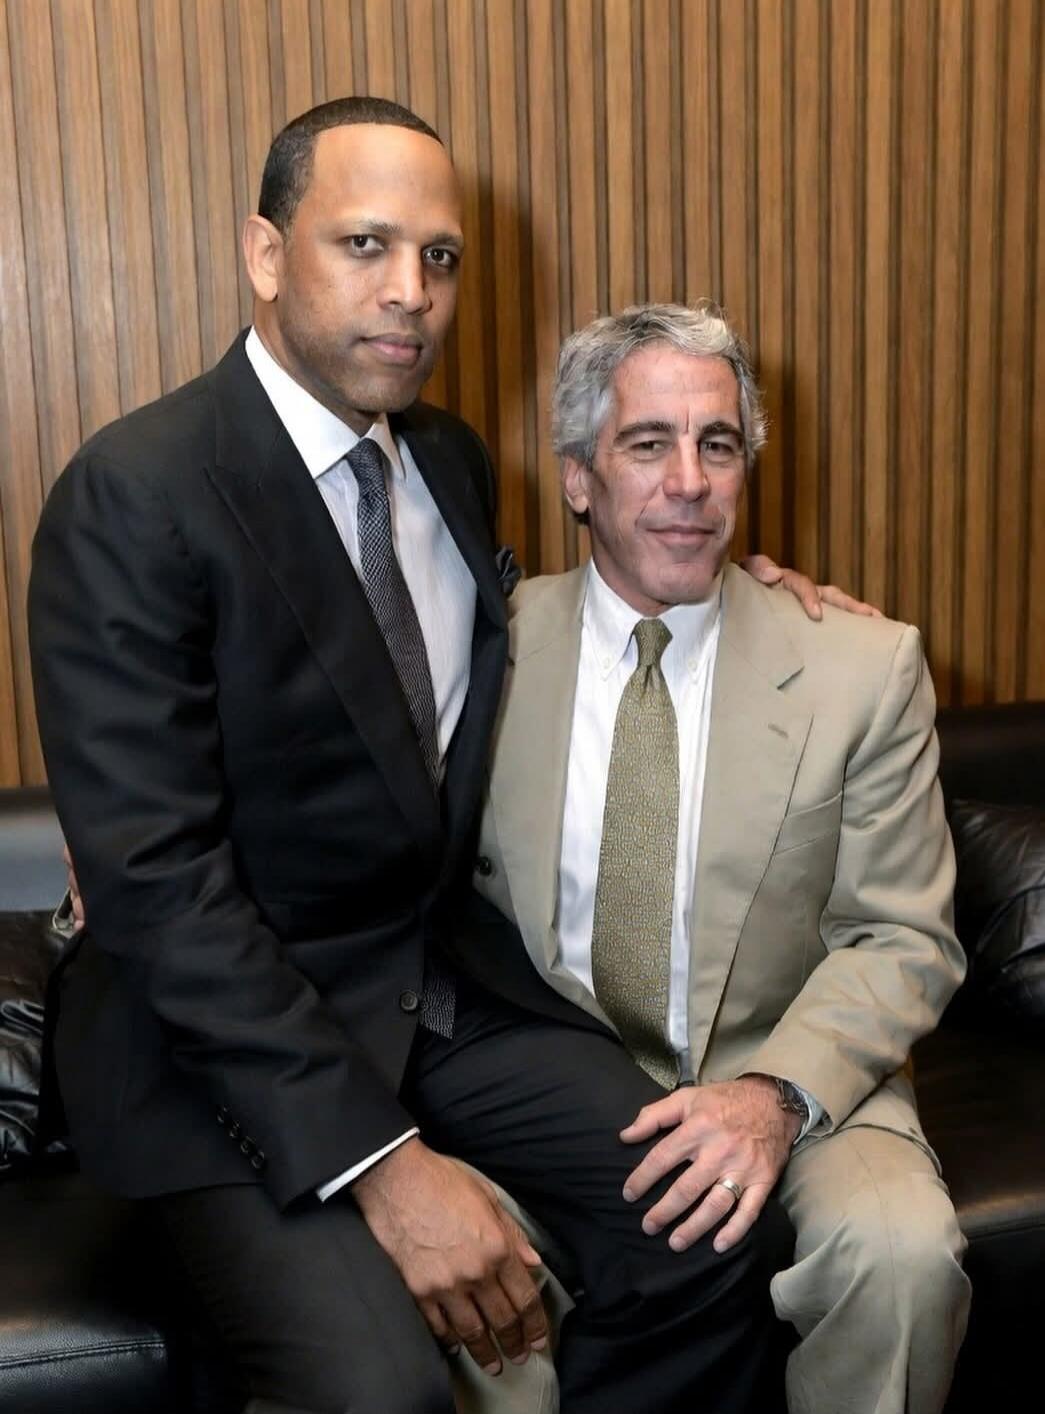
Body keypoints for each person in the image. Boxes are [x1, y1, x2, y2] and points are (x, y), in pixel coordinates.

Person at [28, 99, 854, 1414]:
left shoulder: (449, 462)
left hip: (430, 994)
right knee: (384, 1391)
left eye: (440, 256)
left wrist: (731, 596)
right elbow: (162, 893)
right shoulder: (136, 493)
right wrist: (385, 1162)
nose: (410, 291)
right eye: (363, 244)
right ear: (264, 254)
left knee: (701, 1226)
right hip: (208, 1053)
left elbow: (564, 618)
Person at [468, 301, 971, 1414]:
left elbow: (902, 935)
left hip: (788, 1066)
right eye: (648, 444)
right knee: (466, 1281)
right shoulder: (482, 653)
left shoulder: (860, 667)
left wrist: (772, 1096)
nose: (689, 482)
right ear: (577, 477)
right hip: (544, 1096)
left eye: (719, 444)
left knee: (900, 1257)